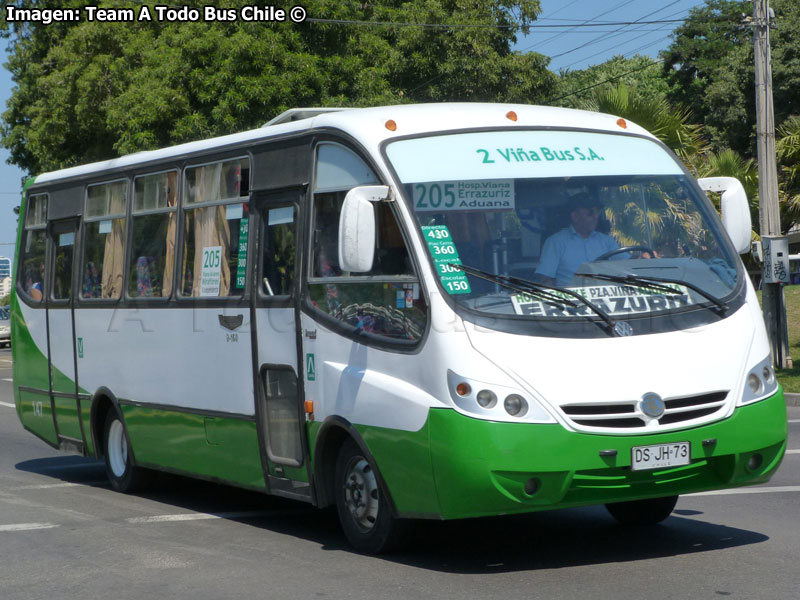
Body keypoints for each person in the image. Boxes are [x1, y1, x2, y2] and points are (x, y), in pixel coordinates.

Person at [534, 192, 620, 287]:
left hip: (608, 298)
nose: (596, 217)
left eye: (598, 212)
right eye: (590, 212)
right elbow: (546, 280)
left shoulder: (608, 241)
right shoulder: (555, 242)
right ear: (575, 216)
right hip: (571, 299)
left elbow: (628, 265)